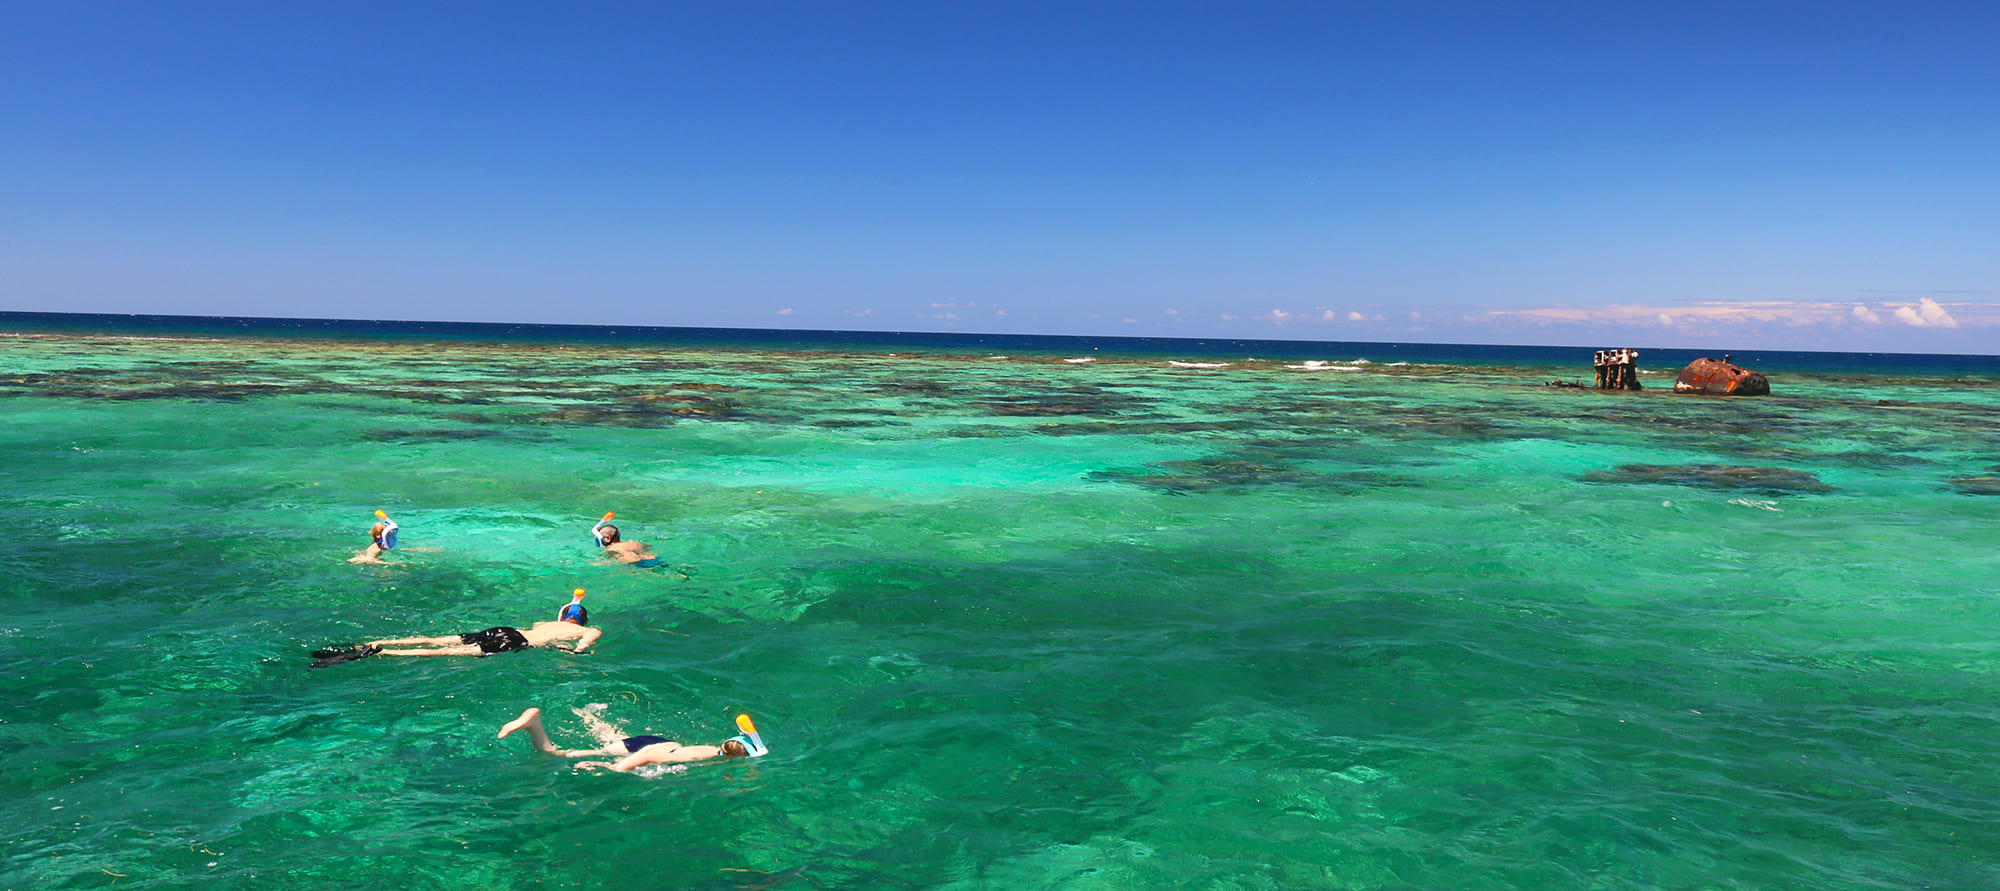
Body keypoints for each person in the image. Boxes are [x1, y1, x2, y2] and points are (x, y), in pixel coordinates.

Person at [310, 589, 600, 666]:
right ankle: (383, 652)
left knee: (432, 639)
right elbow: (582, 644)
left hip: (507, 630)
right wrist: (576, 653)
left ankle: (373, 640)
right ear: (584, 621)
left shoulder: (544, 622)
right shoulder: (590, 629)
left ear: (562, 614)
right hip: (512, 644)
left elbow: (544, 632)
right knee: (444, 653)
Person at [499, 705, 751, 772]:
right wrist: (613, 768)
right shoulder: (703, 758)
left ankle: (591, 717)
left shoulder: (715, 750)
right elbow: (649, 755)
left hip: (656, 741)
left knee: (611, 743)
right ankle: (534, 723)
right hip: (650, 750)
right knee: (554, 755)